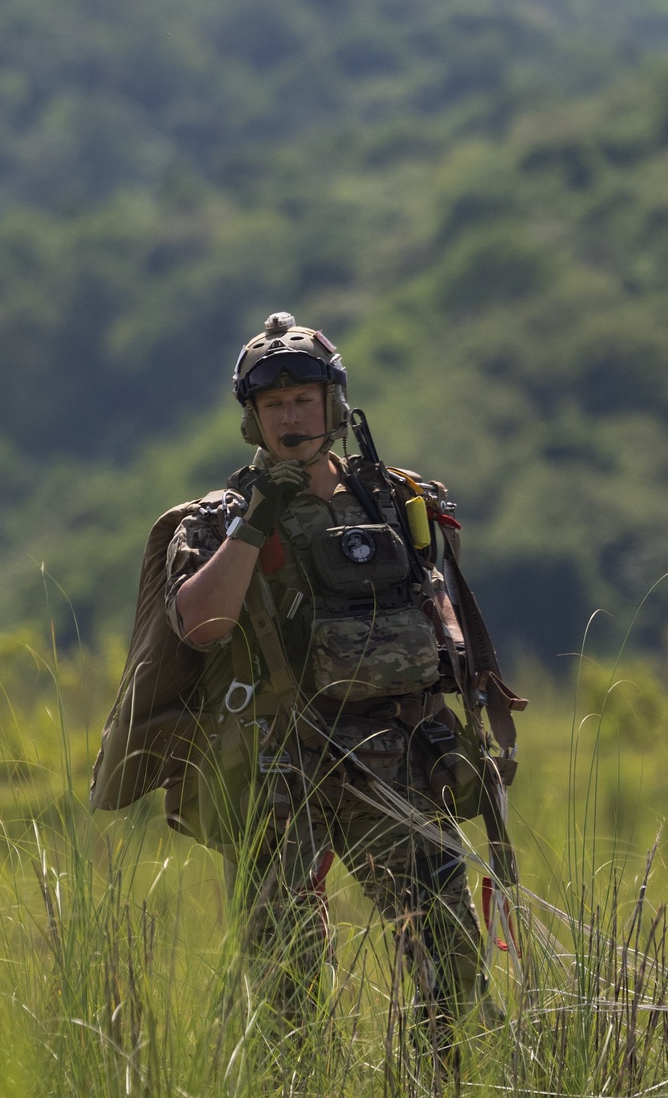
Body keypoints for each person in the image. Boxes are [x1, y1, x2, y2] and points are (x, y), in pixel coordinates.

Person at [91, 312, 523, 1041]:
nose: (291, 416)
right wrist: (256, 522)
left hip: (402, 759)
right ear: (253, 420)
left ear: (335, 404)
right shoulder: (221, 518)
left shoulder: (395, 500)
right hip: (283, 769)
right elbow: (202, 625)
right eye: (274, 405)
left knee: (450, 962)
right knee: (285, 986)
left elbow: (445, 617)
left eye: (304, 400)